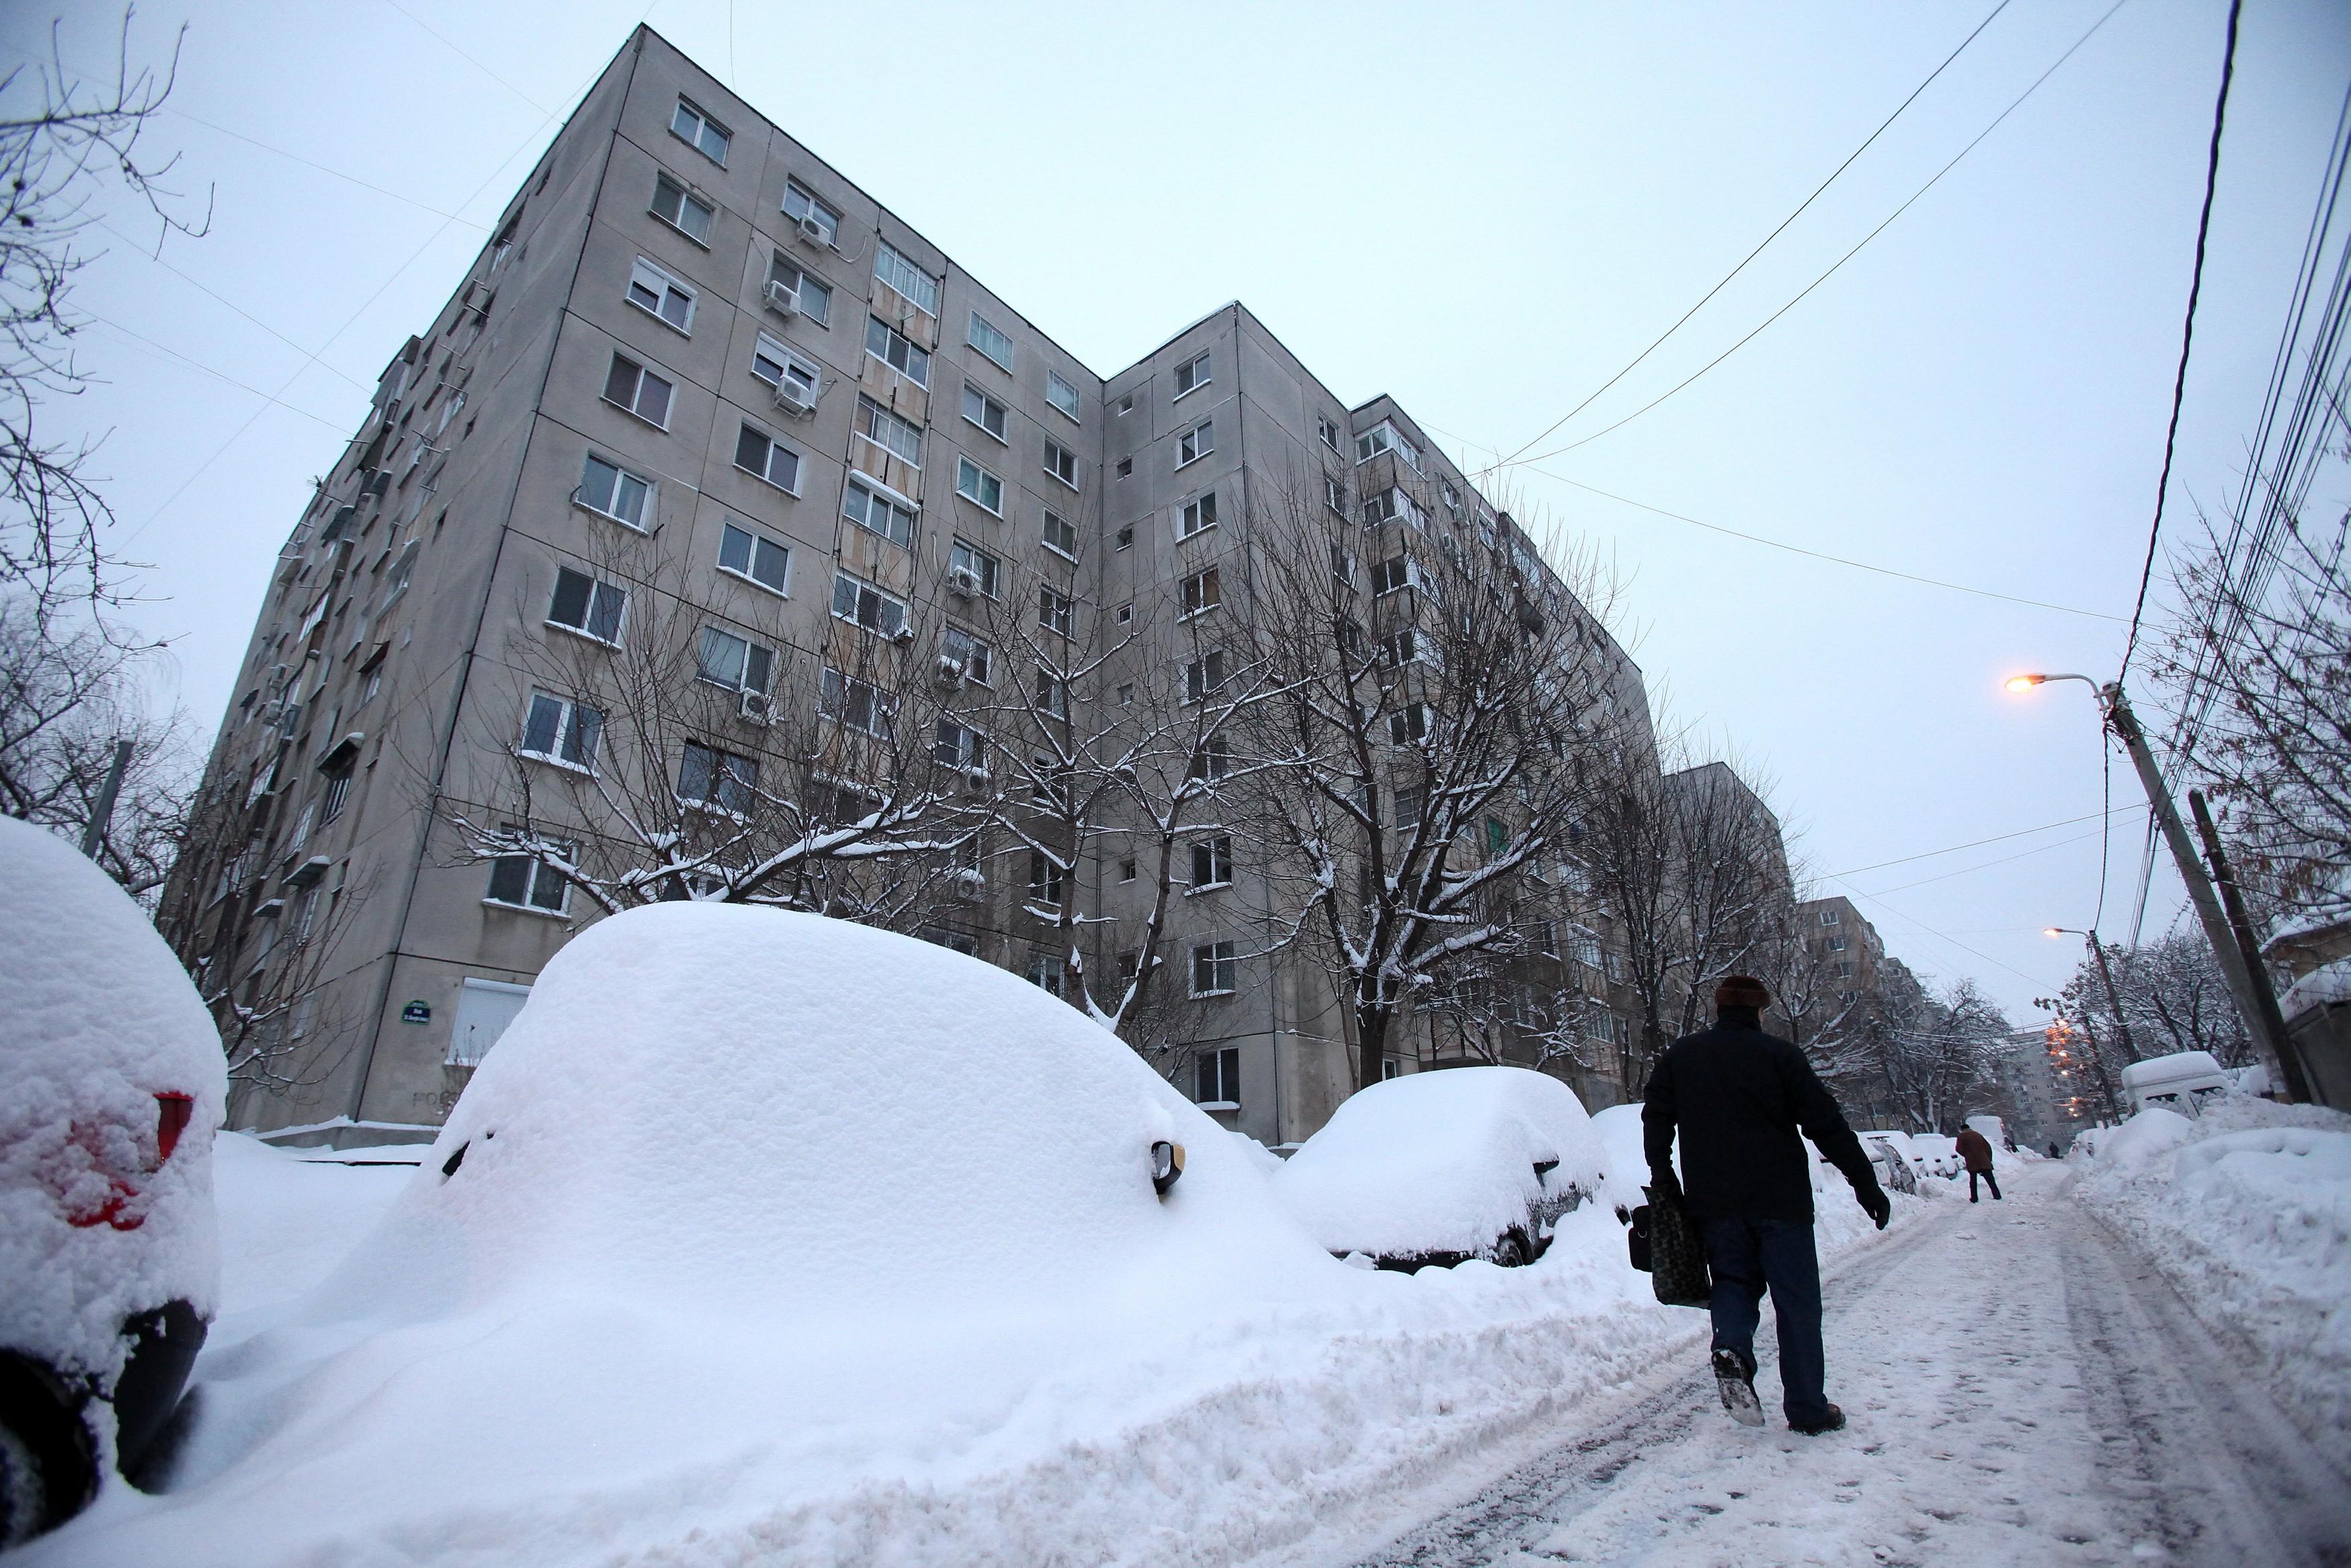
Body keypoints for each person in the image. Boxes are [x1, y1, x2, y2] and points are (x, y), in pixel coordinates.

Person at [1644, 975, 1888, 1437]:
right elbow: (1827, 1124)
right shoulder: (1781, 1057)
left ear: (1719, 1009)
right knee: (1797, 1302)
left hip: (1713, 1202)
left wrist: (1664, 1177)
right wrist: (1865, 1182)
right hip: (1782, 1202)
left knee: (1734, 1282)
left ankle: (1732, 1347)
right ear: (1759, 1011)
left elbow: (1655, 1116)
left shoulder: (1682, 1056)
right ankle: (1807, 1408)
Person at [1956, 1125, 2001, 1202]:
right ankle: (1997, 1195)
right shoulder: (1978, 1135)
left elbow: (1958, 1149)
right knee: (1990, 1179)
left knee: (1973, 1180)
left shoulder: (1961, 1136)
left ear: (1962, 1130)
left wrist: (1967, 1154)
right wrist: (1989, 1159)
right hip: (1984, 1160)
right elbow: (1988, 1147)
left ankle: (1974, 1198)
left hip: (1972, 1161)